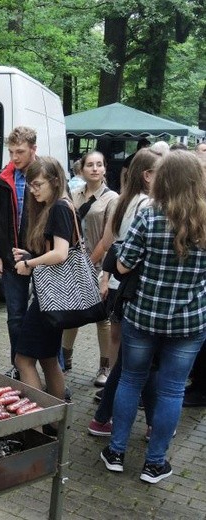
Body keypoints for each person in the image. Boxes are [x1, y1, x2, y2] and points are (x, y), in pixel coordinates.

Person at [100, 150, 206, 484]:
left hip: (144, 315)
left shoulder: (149, 216)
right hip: (189, 321)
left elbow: (122, 265)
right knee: (173, 391)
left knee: (131, 379)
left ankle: (116, 452)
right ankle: (155, 463)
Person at [87, 148, 160, 436]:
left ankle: (110, 412)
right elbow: (125, 251)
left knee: (126, 353)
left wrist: (102, 275)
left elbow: (108, 243)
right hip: (134, 288)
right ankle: (114, 415)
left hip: (119, 284)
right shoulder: (148, 206)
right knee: (138, 361)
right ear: (147, 175)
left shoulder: (120, 202)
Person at [11, 157, 76, 414]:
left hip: (49, 299)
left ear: (55, 181)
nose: (33, 190)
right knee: (49, 359)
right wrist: (30, 256)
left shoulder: (60, 207)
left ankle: (38, 420)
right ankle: (54, 421)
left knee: (23, 359)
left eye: (38, 185)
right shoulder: (61, 205)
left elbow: (60, 253)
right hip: (54, 297)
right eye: (31, 185)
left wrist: (29, 264)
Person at [0, 126, 37, 380]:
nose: (15, 157)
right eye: (12, 151)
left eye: (20, 152)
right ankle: (19, 367)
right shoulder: (2, 178)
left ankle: (53, 369)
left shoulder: (46, 174)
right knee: (15, 316)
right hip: (10, 260)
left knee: (49, 315)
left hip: (41, 260)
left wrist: (36, 254)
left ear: (33, 150)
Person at [61, 151, 118, 385]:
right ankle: (65, 359)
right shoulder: (73, 195)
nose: (95, 169)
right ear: (81, 170)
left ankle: (104, 367)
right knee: (70, 312)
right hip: (72, 263)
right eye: (90, 165)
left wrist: (91, 264)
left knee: (102, 318)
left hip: (99, 265)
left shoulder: (112, 198)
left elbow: (109, 238)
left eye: (99, 165)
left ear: (105, 169)